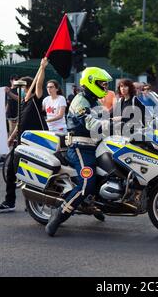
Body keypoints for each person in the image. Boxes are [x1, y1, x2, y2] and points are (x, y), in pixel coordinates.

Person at [45, 67, 113, 236]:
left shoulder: (95, 102)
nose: (105, 88)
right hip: (80, 147)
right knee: (86, 183)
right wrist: (111, 124)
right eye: (102, 84)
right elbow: (90, 123)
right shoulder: (80, 101)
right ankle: (59, 215)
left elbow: (104, 122)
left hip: (95, 146)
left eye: (106, 85)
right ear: (91, 82)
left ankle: (95, 202)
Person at [0, 58, 49, 213]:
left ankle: (33, 203)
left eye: (23, 88)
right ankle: (9, 201)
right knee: (11, 170)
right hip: (20, 141)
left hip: (34, 143)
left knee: (32, 172)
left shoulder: (36, 100)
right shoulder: (24, 103)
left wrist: (42, 68)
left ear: (28, 88)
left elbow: (38, 86)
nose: (22, 91)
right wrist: (12, 136)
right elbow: (20, 123)